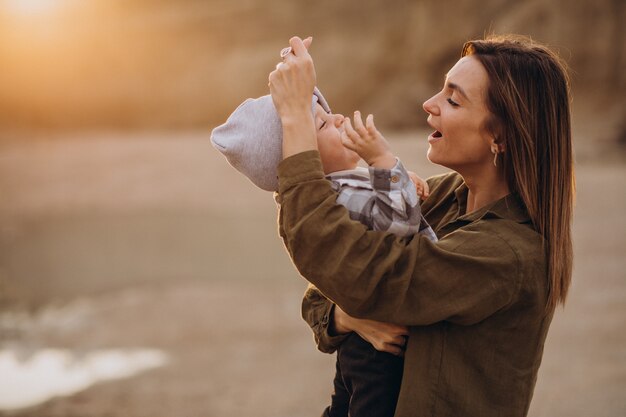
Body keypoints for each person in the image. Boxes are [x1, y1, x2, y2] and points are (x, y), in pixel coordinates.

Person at [269, 34, 574, 417]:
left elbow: (349, 267)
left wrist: (297, 119)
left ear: (500, 135)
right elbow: (325, 284)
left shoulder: (508, 252)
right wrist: (346, 316)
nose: (428, 104)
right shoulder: (439, 196)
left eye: (452, 99)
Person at [210, 71, 437, 417]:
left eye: (328, 113)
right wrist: (383, 161)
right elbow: (398, 226)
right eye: (322, 125)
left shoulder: (345, 186)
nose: (339, 118)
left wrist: (399, 180)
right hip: (377, 354)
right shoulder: (342, 198)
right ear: (303, 155)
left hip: (359, 347)